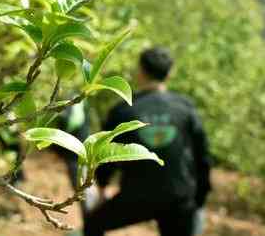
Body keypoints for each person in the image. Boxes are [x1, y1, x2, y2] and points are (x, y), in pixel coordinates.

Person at [83, 47, 212, 236]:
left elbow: (106, 153)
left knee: (93, 225)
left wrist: (102, 187)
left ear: (140, 72)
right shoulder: (186, 107)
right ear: (170, 73)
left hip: (136, 197)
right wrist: (199, 197)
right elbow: (203, 155)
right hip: (178, 197)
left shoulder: (123, 109)